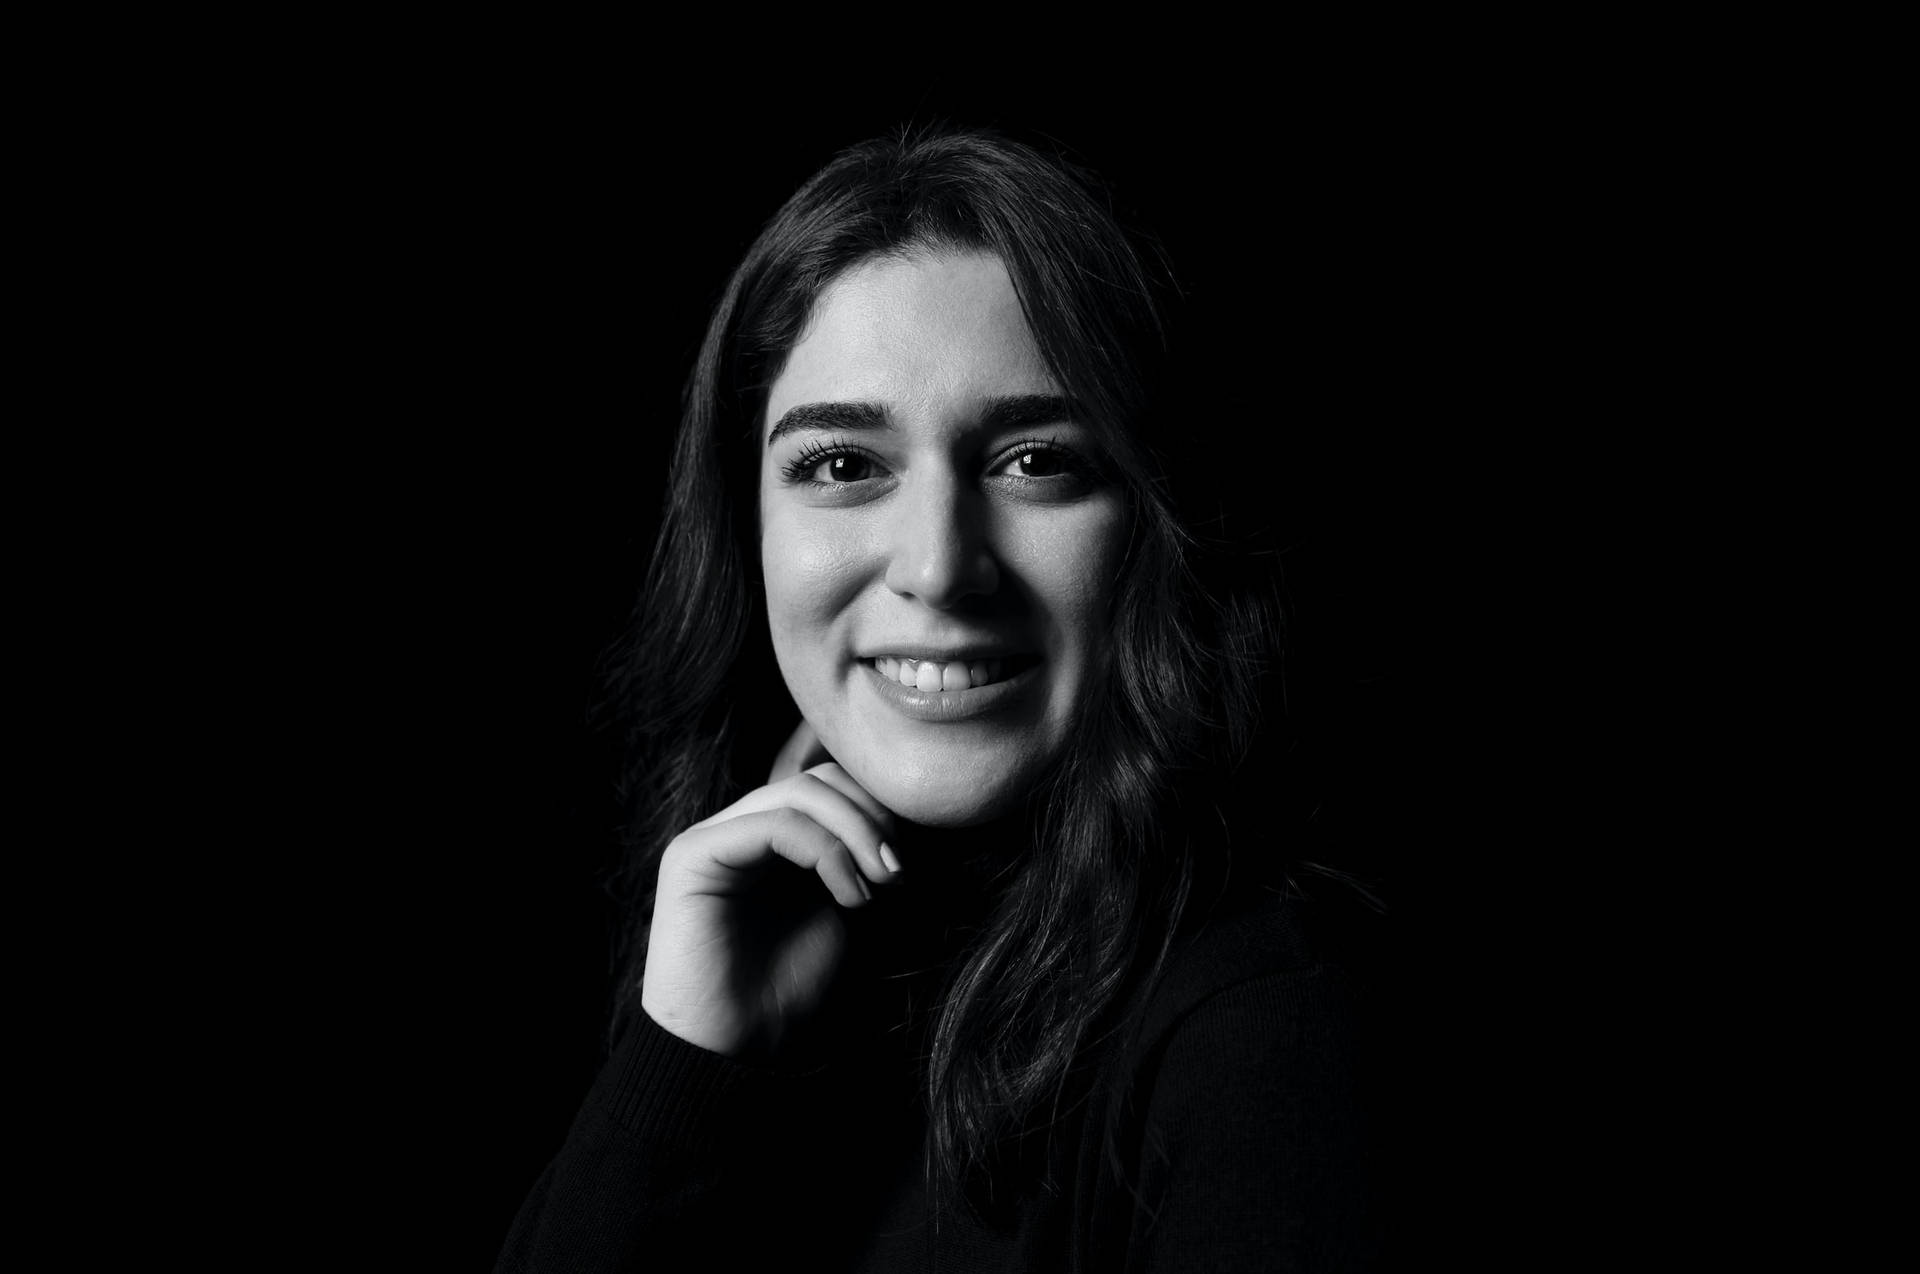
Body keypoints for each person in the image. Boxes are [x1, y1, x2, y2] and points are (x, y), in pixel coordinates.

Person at [496, 124, 1380, 1272]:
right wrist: (686, 1067)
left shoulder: (1263, 1031)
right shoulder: (771, 962)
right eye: (842, 466)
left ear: (1158, 522)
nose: (939, 564)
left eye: (1035, 460)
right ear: (746, 530)